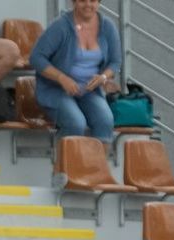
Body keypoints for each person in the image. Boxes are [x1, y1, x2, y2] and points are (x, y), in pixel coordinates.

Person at [30, 0, 121, 142]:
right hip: (56, 90)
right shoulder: (60, 26)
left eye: (93, 0)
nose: (88, 5)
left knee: (105, 121)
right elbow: (36, 58)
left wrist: (103, 77)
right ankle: (65, 163)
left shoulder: (108, 27)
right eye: (82, 0)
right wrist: (62, 78)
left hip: (89, 91)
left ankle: (97, 164)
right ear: (73, 2)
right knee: (75, 123)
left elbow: (115, 62)